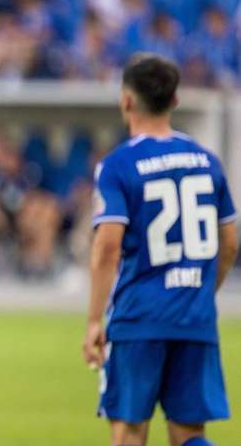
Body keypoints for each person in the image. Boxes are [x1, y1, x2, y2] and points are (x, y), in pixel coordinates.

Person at [82, 54, 239, 446]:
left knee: (130, 432)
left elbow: (107, 248)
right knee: (189, 435)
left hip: (139, 318)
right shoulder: (207, 162)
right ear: (175, 101)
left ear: (126, 100)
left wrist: (93, 320)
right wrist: (201, 293)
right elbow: (230, 241)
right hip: (194, 317)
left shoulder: (118, 165)